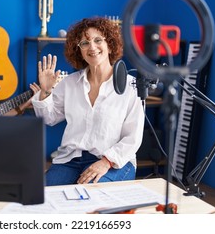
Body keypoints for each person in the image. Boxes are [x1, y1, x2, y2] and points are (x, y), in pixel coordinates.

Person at [30, 17, 145, 186]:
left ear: (110, 45)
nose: (92, 47)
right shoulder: (69, 83)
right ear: (79, 51)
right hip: (71, 160)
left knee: (90, 196)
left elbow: (132, 138)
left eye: (98, 40)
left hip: (114, 162)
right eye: (84, 43)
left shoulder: (130, 86)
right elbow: (49, 118)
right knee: (43, 194)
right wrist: (46, 91)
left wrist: (106, 162)